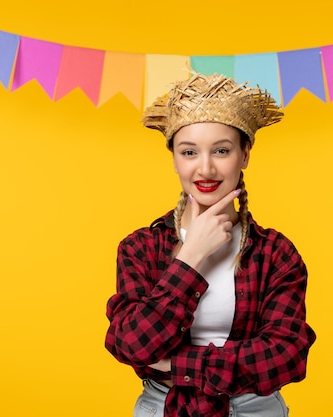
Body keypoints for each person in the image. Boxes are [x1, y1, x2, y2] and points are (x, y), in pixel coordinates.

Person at [105, 71, 316, 417]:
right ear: (174, 159)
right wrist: (191, 257)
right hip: (162, 408)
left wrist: (177, 366)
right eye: (189, 152)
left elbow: (287, 355)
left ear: (245, 155)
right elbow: (131, 342)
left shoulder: (276, 253)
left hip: (254, 411)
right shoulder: (140, 248)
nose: (206, 168)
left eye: (221, 150)